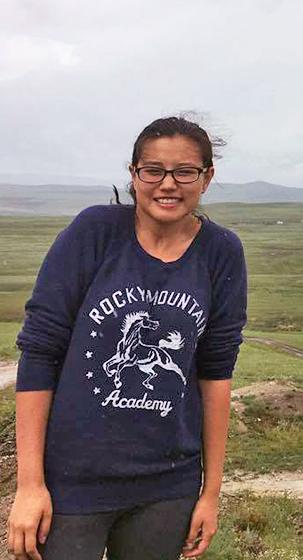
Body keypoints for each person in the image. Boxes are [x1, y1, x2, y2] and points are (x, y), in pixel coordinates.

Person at [6, 116, 247, 560]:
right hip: (72, 482)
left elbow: (216, 374)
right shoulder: (94, 233)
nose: (167, 184)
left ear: (207, 177)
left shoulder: (221, 252)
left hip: (167, 486)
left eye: (185, 171)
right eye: (152, 170)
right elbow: (39, 354)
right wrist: (30, 484)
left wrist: (210, 493)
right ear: (134, 175)